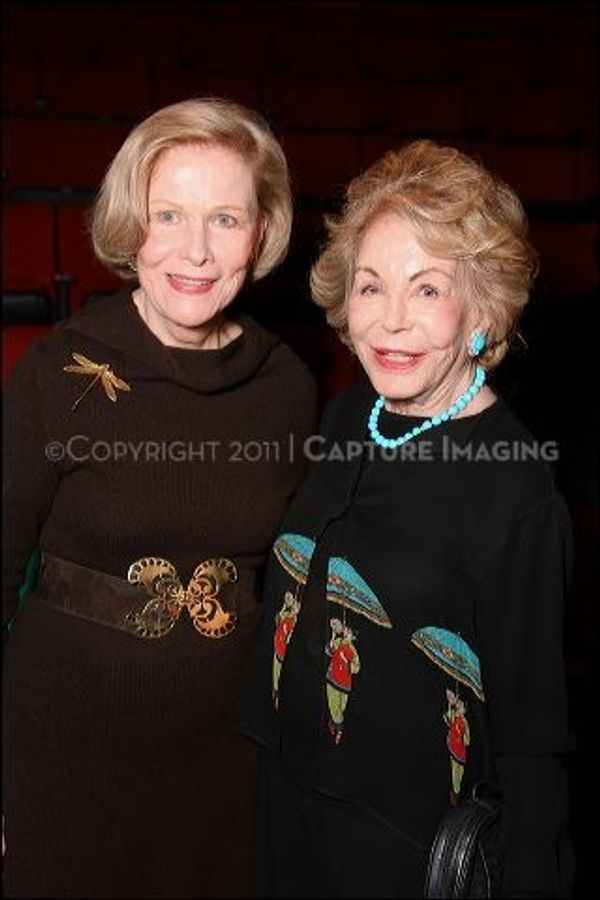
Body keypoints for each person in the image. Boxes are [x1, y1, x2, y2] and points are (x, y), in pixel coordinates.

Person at [239, 140, 575, 897]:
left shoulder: (515, 490)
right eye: (371, 286)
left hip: (402, 849)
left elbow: (532, 740)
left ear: (482, 308)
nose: (390, 322)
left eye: (426, 290)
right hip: (287, 805)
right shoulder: (348, 414)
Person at [2, 97, 317, 898]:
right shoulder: (57, 373)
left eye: (225, 219)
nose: (197, 252)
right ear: (127, 222)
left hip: (226, 766)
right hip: (64, 757)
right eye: (168, 214)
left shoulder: (286, 385)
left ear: (263, 229)